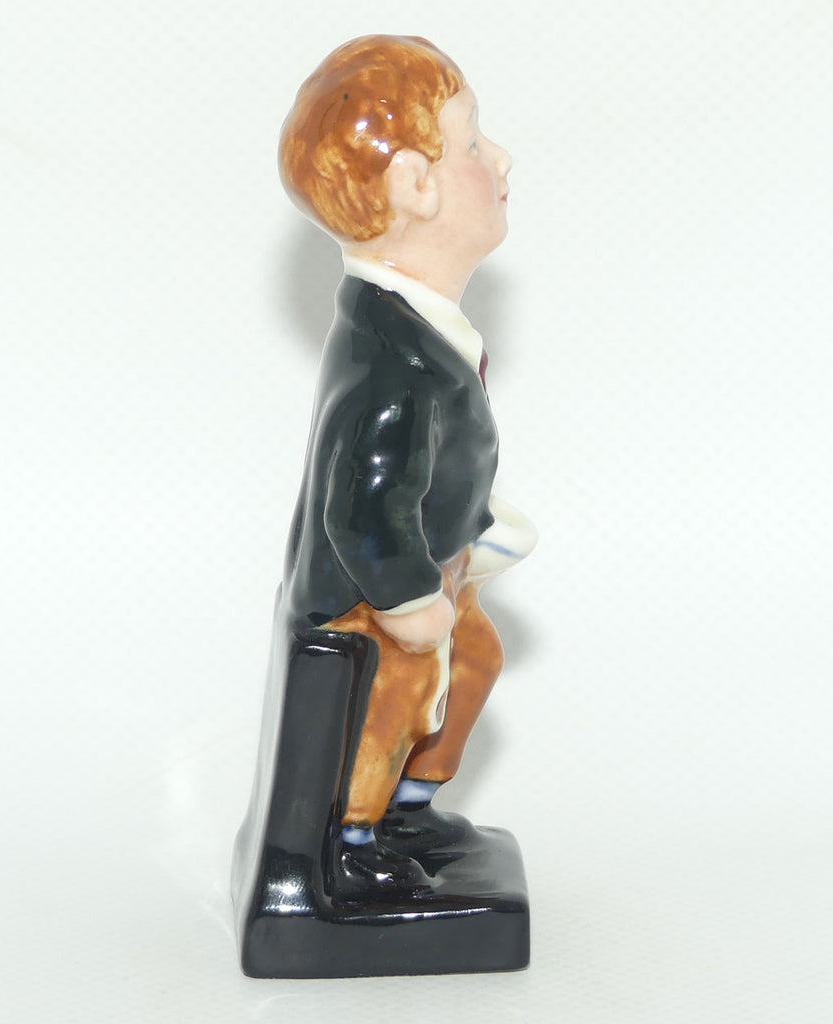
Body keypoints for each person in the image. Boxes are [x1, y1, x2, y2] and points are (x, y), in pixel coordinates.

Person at [277, 34, 536, 900]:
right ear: (414, 187)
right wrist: (408, 600)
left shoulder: (416, 327)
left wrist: (478, 528)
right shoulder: (393, 366)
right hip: (376, 595)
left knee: (476, 659)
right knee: (402, 686)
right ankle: (354, 836)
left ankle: (410, 803)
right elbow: (365, 504)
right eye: (472, 143)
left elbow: (432, 464)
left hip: (436, 564)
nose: (500, 157)